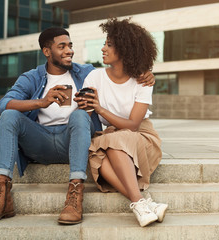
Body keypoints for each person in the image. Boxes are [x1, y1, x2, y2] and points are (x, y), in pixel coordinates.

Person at [0, 27, 155, 225]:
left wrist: (145, 74)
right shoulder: (31, 77)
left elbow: (119, 71)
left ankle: (75, 195)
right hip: (39, 142)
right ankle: (2, 193)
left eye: (70, 45)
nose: (69, 50)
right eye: (62, 46)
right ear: (47, 51)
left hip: (73, 141)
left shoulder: (86, 73)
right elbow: (2, 104)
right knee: (9, 116)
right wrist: (42, 101)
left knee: (79, 116)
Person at [75, 18, 166, 227]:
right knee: (97, 154)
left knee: (115, 140)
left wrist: (100, 108)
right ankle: (142, 203)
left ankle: (140, 203)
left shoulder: (143, 80)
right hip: (110, 137)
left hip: (141, 136)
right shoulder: (94, 77)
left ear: (124, 49)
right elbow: (85, 116)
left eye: (109, 44)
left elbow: (134, 124)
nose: (103, 48)